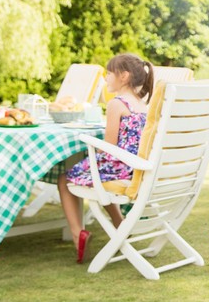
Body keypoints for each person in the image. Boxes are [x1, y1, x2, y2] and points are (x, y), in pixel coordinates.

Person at [57, 53, 154, 264]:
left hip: (120, 167)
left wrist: (93, 154)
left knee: (66, 179)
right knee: (97, 175)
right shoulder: (141, 103)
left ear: (124, 76)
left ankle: (77, 234)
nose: (106, 78)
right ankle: (120, 224)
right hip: (134, 167)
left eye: (109, 73)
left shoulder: (116, 103)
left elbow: (109, 147)